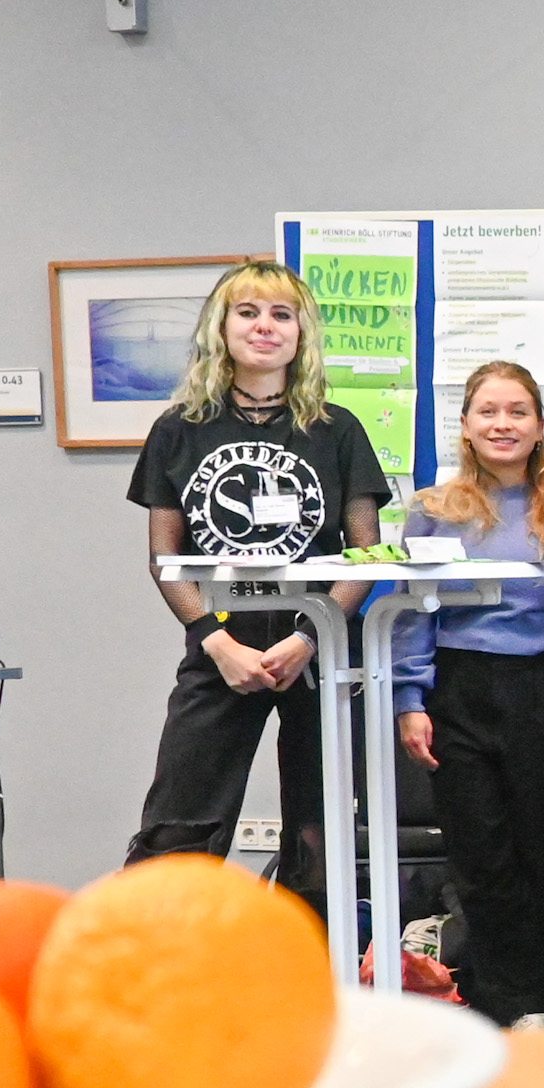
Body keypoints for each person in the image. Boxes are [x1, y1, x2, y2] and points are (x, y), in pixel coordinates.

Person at [123, 261, 387, 900]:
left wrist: (308, 640)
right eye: (248, 312)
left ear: (302, 334)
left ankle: (313, 981)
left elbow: (366, 556)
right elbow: (165, 558)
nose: (264, 327)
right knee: (178, 827)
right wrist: (215, 641)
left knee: (320, 833)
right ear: (222, 327)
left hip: (316, 647)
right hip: (220, 641)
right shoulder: (178, 429)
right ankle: (156, 985)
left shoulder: (337, 428)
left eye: (281, 314)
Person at [392, 359, 544, 1026]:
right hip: (459, 688)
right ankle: (504, 1002)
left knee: (541, 847)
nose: (503, 424)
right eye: (489, 411)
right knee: (480, 852)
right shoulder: (431, 512)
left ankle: (534, 1002)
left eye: (518, 411)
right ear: (466, 425)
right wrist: (409, 701)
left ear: (540, 425)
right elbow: (412, 611)